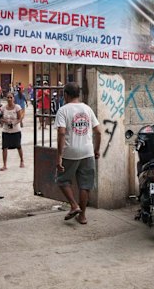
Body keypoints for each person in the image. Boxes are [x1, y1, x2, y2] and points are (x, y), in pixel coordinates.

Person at [53, 82, 101, 225]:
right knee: (85, 185)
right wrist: (96, 150)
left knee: (62, 180)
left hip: (70, 152)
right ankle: (83, 216)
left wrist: (59, 156)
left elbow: (61, 133)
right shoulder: (87, 109)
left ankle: (74, 205)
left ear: (65, 94)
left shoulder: (63, 110)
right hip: (87, 152)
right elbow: (98, 131)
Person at [0, 92, 25, 170]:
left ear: (13, 98)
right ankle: (4, 164)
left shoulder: (17, 107)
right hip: (6, 130)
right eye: (8, 97)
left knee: (18, 146)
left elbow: (20, 118)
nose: (9, 99)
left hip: (16, 130)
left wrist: (14, 123)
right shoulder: (3, 108)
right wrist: (5, 122)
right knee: (4, 147)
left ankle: (22, 160)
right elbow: (0, 118)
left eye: (11, 97)